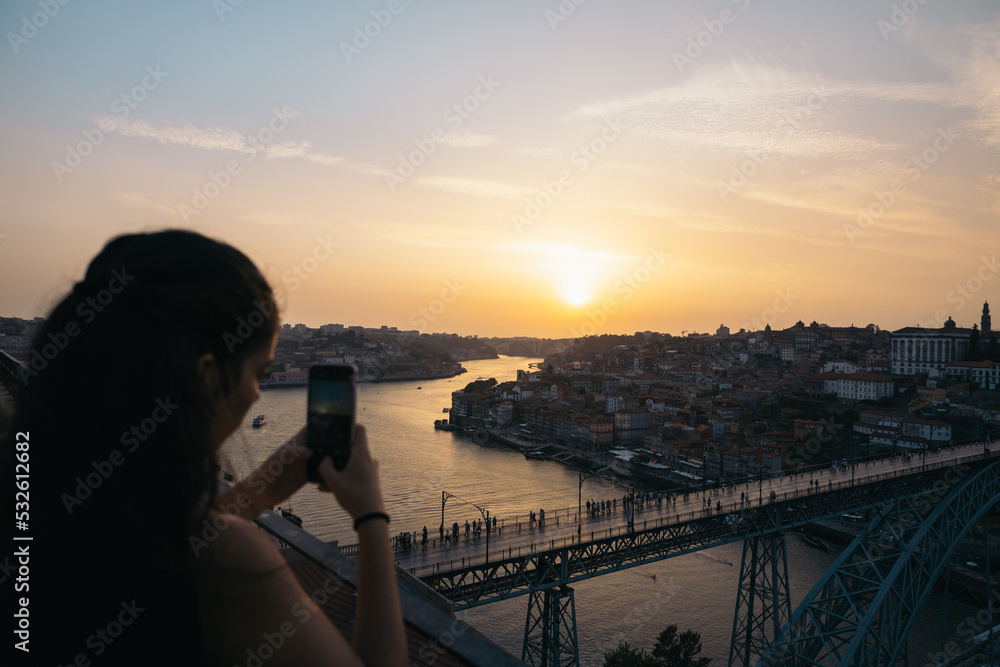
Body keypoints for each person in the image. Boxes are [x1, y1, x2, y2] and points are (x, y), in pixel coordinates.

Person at [7, 230, 406, 665]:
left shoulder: (34, 492)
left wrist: (261, 492)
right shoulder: (234, 564)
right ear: (207, 377)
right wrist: (371, 516)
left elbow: (161, 556)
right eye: (260, 372)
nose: (257, 394)